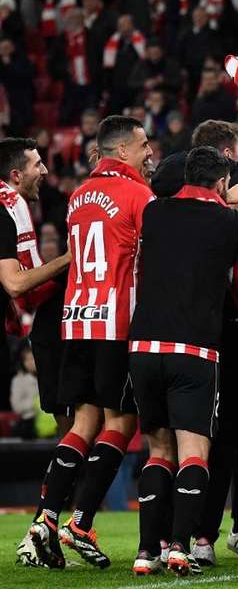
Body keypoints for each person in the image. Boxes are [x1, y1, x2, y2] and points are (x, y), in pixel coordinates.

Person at [129, 146, 238, 576]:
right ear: (222, 182)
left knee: (158, 451)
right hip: (194, 351)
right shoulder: (227, 221)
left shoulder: (155, 212)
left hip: (142, 349)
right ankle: (181, 547)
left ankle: (147, 550)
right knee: (194, 453)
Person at [26, 117, 154, 570]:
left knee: (82, 423)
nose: (148, 153)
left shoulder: (79, 197)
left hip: (76, 321)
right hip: (116, 323)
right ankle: (79, 522)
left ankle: (45, 518)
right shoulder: (140, 195)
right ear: (122, 151)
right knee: (120, 423)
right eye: (142, 146)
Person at [1, 138, 74, 569]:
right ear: (15, 175)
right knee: (77, 430)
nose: (45, 170)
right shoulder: (5, 208)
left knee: (75, 431)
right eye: (36, 164)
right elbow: (16, 285)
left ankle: (45, 530)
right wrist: (72, 257)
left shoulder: (13, 204)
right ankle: (46, 529)